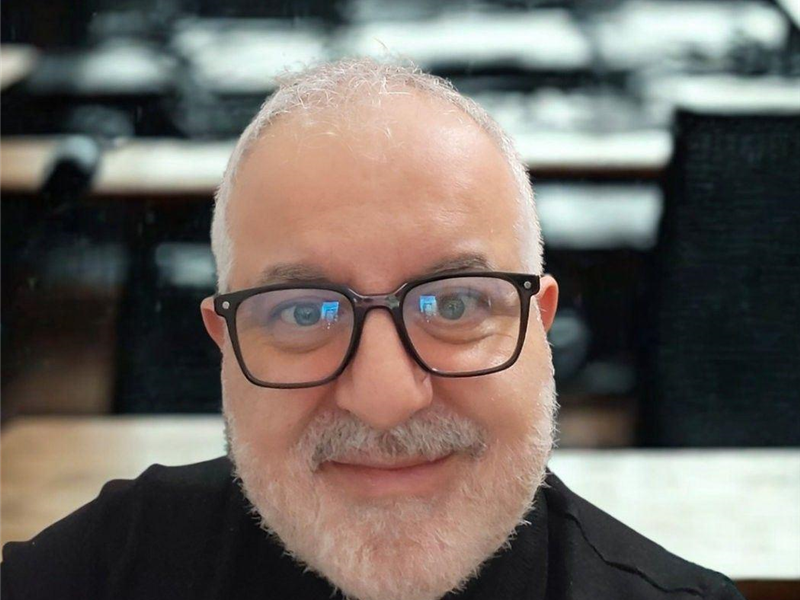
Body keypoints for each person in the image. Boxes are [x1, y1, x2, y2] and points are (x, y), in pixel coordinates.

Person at [0, 58, 744, 600]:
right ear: (223, 345)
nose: (386, 399)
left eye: (455, 306)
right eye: (302, 313)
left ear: (538, 329)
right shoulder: (99, 572)